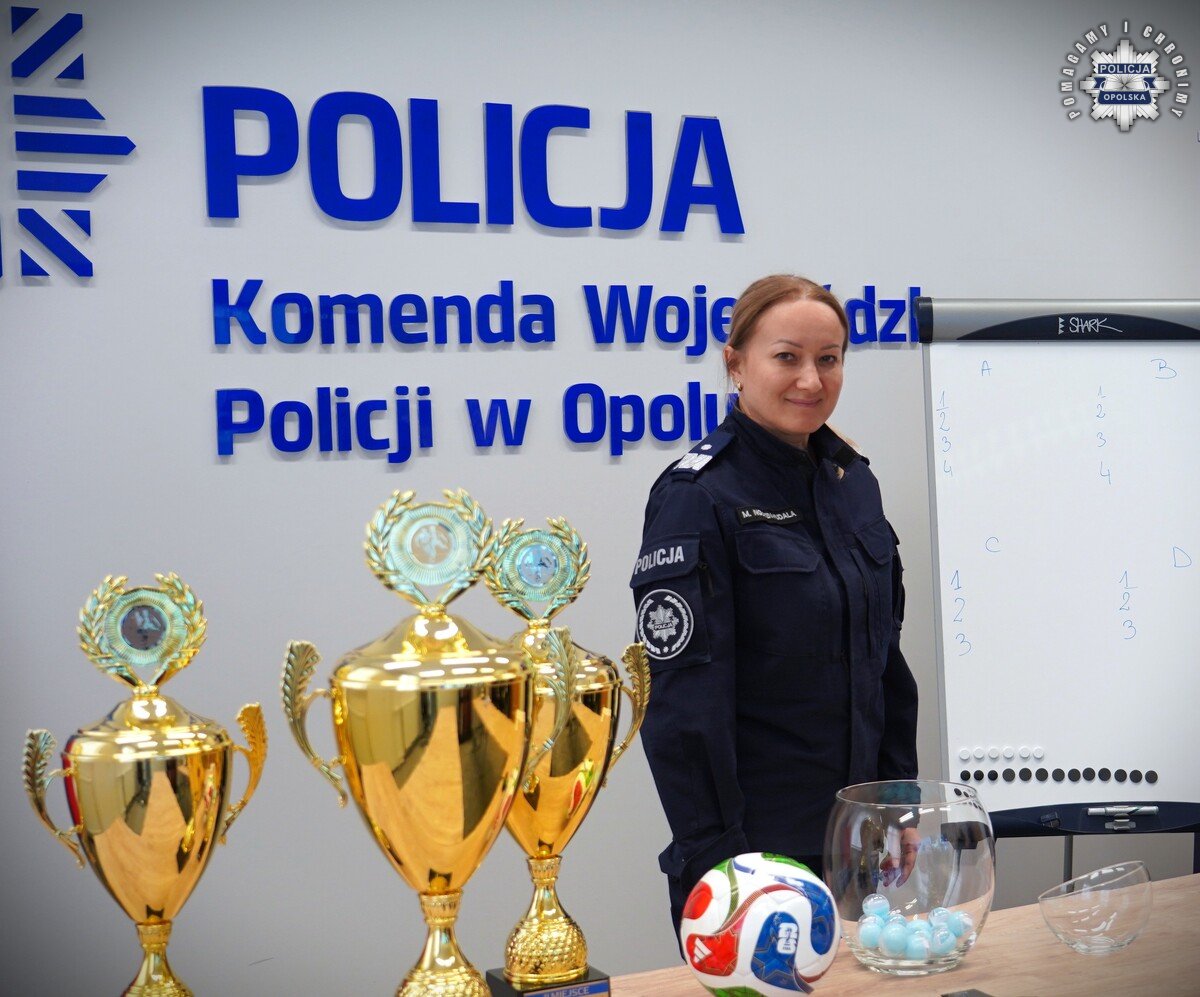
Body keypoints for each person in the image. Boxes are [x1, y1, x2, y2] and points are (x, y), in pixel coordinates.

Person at [630, 274, 919, 937]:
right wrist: (721, 863)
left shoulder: (853, 482)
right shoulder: (697, 497)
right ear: (735, 363)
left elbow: (885, 663)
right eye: (787, 357)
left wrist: (896, 799)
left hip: (859, 844)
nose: (811, 380)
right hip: (757, 855)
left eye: (829, 358)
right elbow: (683, 708)